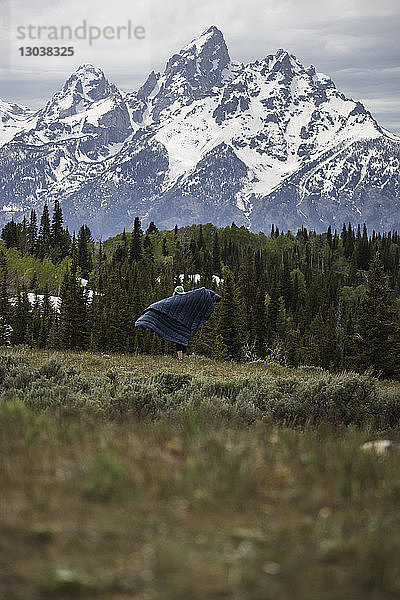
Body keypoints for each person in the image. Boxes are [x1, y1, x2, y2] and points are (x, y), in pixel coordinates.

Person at [135, 285, 221, 359]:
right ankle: (183, 358)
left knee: (178, 341)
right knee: (183, 341)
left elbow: (162, 305)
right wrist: (214, 297)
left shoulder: (173, 300)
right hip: (185, 324)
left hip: (176, 323)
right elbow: (204, 293)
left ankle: (180, 358)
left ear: (175, 292)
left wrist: (150, 308)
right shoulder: (188, 298)